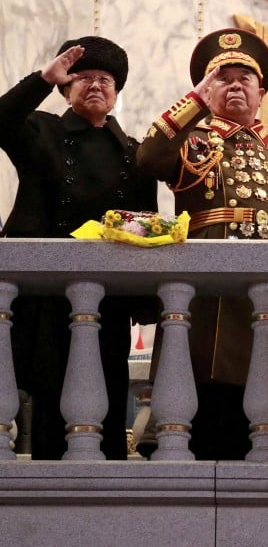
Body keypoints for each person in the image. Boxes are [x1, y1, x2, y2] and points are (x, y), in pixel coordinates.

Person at [137, 28, 268, 460]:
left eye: (244, 79)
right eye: (223, 79)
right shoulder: (192, 141)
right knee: (196, 417)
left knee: (257, 430)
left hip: (266, 302)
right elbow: (148, 159)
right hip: (205, 305)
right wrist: (193, 103)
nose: (235, 86)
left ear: (261, 92)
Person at [0, 36, 158, 459]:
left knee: (109, 392)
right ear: (66, 90)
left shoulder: (134, 153)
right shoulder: (41, 132)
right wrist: (42, 79)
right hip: (47, 294)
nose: (95, 86)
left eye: (105, 80)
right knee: (50, 398)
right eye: (83, 78)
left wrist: (146, 301)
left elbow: (147, 222)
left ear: (116, 93)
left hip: (110, 298)